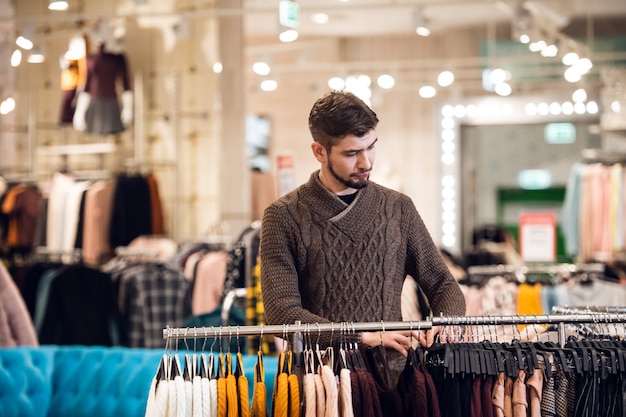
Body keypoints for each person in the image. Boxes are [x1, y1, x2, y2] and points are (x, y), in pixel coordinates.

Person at [259, 90, 466, 361]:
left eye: (371, 147)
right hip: (319, 380)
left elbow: (442, 284)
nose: (366, 162)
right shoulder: (283, 216)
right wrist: (360, 337)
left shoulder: (398, 208)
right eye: (352, 153)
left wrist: (445, 322)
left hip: (394, 380)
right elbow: (281, 313)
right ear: (319, 151)